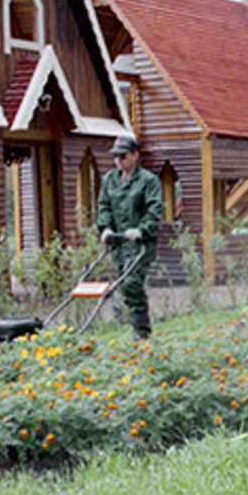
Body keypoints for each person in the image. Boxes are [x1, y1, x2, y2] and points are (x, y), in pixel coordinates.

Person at [97, 133, 163, 340]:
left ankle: (141, 332)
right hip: (118, 242)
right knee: (125, 283)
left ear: (135, 155)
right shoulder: (109, 180)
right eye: (115, 156)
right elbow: (104, 206)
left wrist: (142, 229)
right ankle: (139, 328)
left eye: (123, 155)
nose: (118, 160)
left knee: (131, 282)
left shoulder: (148, 181)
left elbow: (155, 209)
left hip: (141, 243)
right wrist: (105, 228)